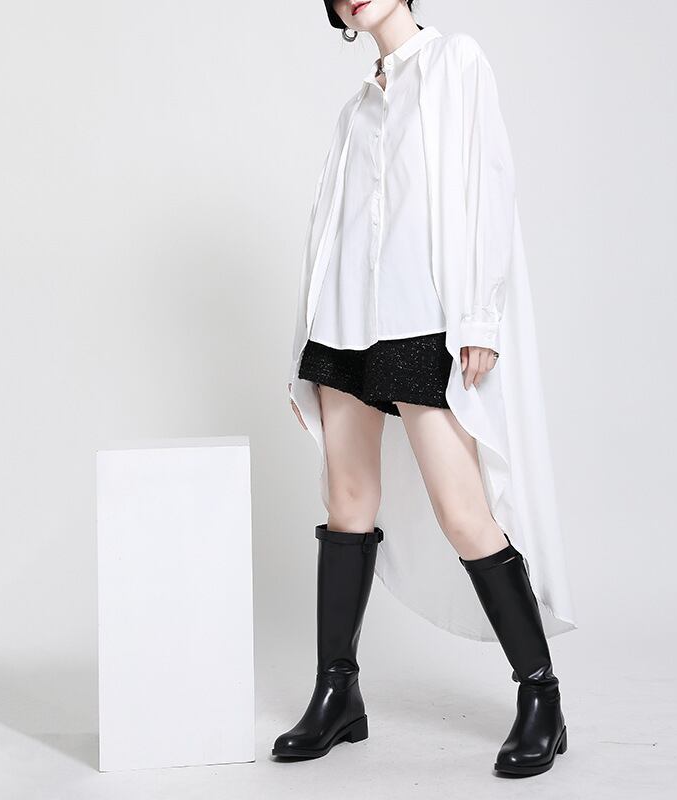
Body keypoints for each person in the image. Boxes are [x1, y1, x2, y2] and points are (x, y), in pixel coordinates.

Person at [274, 0, 577, 778]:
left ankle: (540, 695)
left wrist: (479, 316)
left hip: (419, 319)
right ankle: (337, 693)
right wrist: (303, 349)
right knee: (346, 504)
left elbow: (488, 185)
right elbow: (329, 228)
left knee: (463, 510)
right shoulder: (355, 109)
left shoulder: (454, 62)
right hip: (343, 320)